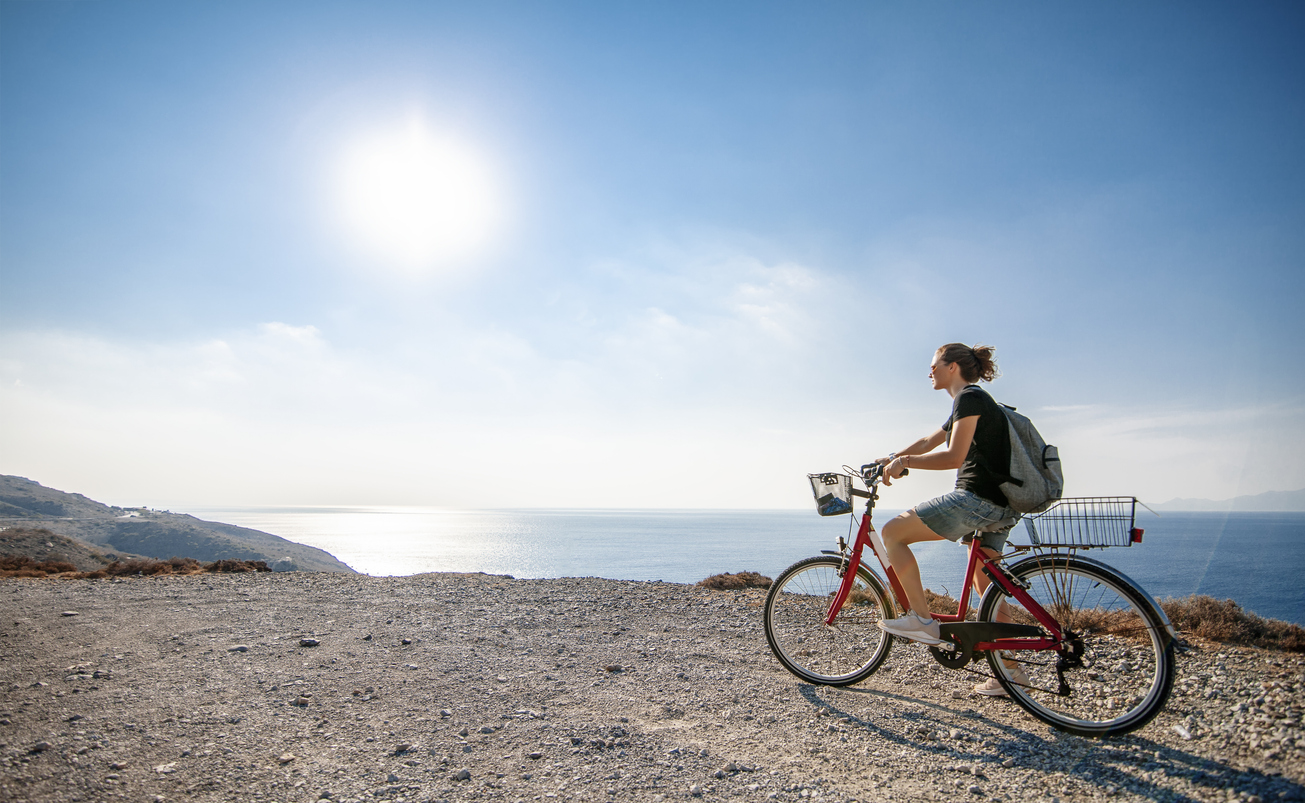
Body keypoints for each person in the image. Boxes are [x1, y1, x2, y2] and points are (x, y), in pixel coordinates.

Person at [872, 343, 1029, 696]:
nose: (929, 372)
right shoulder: (972, 401)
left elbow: (955, 455)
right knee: (987, 586)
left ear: (952, 367)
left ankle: (923, 622)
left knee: (893, 533)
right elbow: (933, 438)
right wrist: (894, 456)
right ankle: (1012, 674)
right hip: (1002, 506)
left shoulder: (969, 398)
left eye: (933, 365)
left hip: (977, 500)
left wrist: (906, 464)